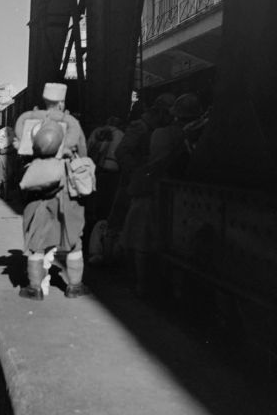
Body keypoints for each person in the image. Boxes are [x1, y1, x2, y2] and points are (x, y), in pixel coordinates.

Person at [122, 92, 203, 297]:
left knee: (141, 238)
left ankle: (141, 283)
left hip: (151, 189)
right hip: (176, 193)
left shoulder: (159, 133)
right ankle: (172, 289)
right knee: (173, 242)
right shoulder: (196, 133)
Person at [15, 82, 90, 300]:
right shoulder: (71, 122)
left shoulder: (28, 120)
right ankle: (74, 286)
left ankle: (34, 288)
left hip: (37, 190)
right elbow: (83, 152)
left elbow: (20, 149)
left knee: (36, 240)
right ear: (62, 101)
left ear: (45, 99)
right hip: (65, 189)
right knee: (73, 237)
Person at [92, 93, 174, 266]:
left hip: (144, 182)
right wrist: (138, 170)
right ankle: (108, 258)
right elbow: (122, 152)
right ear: (160, 112)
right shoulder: (140, 127)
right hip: (132, 181)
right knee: (118, 220)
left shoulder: (152, 128)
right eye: (167, 114)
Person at [86, 116, 123, 223]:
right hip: (113, 169)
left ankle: (90, 216)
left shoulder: (97, 131)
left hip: (96, 167)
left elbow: (88, 146)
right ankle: (102, 219)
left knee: (94, 194)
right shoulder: (120, 134)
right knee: (107, 197)